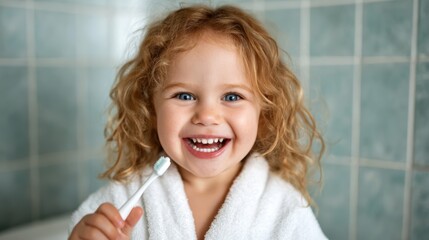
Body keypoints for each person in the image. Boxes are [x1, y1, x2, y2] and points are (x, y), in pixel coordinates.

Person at [69, 4, 327, 240]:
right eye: (184, 95)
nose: (206, 116)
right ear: (151, 110)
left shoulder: (284, 208)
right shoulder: (123, 200)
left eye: (232, 96)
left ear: (265, 114)